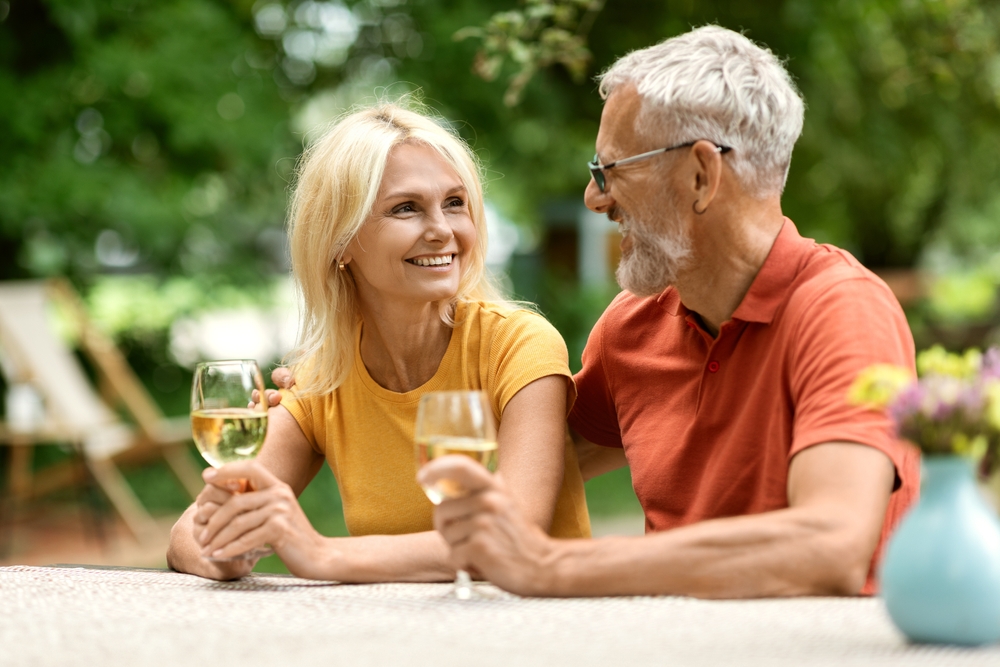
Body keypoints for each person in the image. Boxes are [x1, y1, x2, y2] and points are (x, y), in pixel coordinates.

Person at [420, 25, 919, 598]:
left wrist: (554, 568)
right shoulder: (631, 328)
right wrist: (336, 395)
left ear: (701, 176)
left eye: (611, 170)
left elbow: (831, 545)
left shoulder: (842, 311)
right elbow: (518, 474)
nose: (595, 198)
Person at [167, 103, 591, 581]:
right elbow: (189, 536)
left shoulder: (519, 347)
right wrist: (228, 550)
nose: (442, 230)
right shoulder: (322, 379)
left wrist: (322, 553)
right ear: (340, 242)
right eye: (406, 208)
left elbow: (511, 536)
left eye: (455, 202)